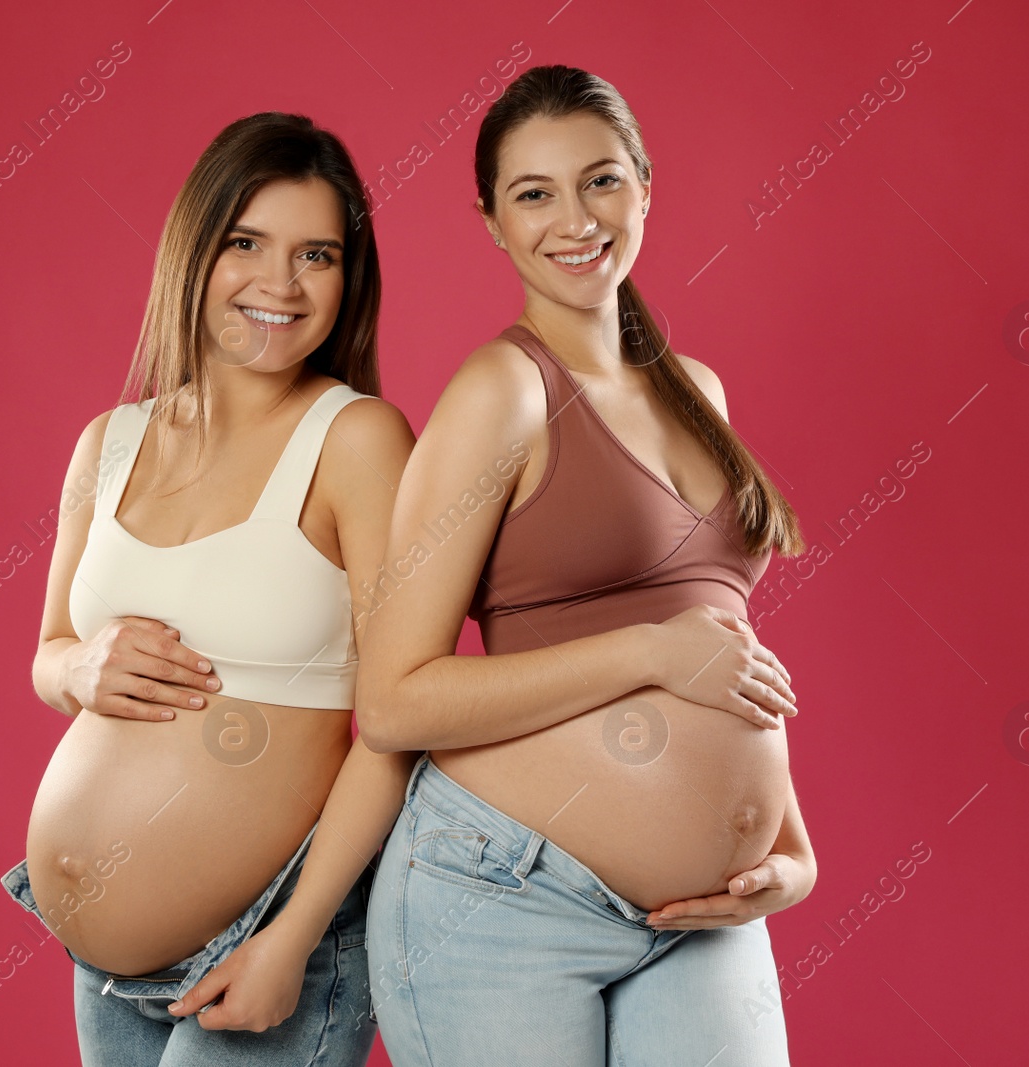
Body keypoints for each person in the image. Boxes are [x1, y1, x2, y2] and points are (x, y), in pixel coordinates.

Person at [355, 65, 816, 1065]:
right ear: (490, 221)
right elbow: (393, 700)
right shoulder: (501, 392)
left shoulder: (697, 390)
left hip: (700, 912)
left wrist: (785, 841)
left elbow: (718, 638)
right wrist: (648, 653)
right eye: (534, 193)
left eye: (601, 180)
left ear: (646, 186)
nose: (575, 218)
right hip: (507, 891)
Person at [0, 111, 418, 1066]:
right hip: (101, 968)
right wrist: (79, 665)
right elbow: (50, 653)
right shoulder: (108, 442)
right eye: (247, 243)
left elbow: (404, 717)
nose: (280, 283)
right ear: (196, 249)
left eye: (317, 253)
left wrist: (297, 934)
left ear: (349, 279)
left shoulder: (357, 441)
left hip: (274, 942)